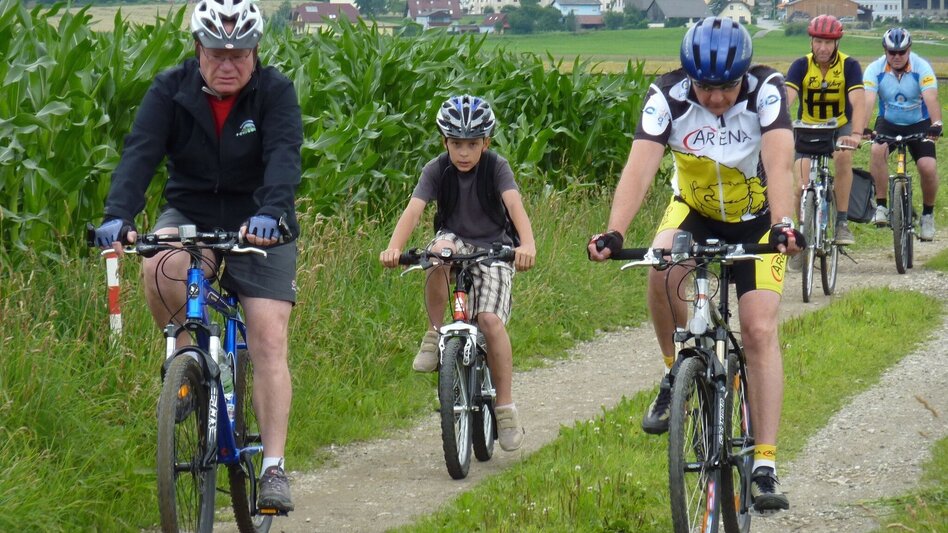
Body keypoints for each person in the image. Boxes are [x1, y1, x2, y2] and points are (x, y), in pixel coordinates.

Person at [91, 0, 302, 513]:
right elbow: (140, 153)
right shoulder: (170, 89)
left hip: (260, 221)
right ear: (197, 49)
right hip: (191, 210)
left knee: (267, 337)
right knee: (158, 264)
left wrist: (271, 212)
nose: (227, 64)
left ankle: (273, 467)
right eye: (216, 54)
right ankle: (185, 364)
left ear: (255, 52)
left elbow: (283, 156)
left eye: (239, 54)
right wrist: (118, 215)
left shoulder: (275, 92)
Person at [587, 17, 803, 511]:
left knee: (758, 330)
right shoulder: (666, 96)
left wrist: (784, 224)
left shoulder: (767, 90)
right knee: (660, 268)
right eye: (706, 88)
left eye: (727, 87)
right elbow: (640, 166)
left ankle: (765, 465)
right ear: (689, 78)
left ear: (743, 76)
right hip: (695, 212)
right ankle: (675, 374)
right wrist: (614, 231)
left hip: (758, 220)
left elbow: (778, 161)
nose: (717, 99)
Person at [379, 95, 537, 452]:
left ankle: (505, 409)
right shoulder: (436, 169)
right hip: (455, 241)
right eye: (456, 144)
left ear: (486, 143)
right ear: (444, 142)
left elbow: (515, 205)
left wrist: (527, 245)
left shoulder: (496, 168)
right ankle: (435, 333)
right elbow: (414, 210)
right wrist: (393, 248)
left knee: (490, 321)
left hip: (494, 248)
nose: (464, 152)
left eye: (472, 144)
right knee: (437, 254)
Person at [785, 14, 866, 246]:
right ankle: (801, 235)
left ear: (836, 43)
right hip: (807, 127)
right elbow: (786, 99)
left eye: (828, 42)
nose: (823, 47)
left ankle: (841, 223)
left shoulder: (849, 66)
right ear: (811, 41)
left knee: (843, 158)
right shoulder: (801, 65)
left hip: (839, 126)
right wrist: (776, 127)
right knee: (800, 186)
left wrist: (856, 134)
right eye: (818, 41)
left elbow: (858, 102)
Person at [863, 27, 943, 240]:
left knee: (927, 167)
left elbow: (931, 97)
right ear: (885, 51)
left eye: (901, 52)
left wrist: (936, 124)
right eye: (892, 52)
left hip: (919, 123)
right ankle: (881, 206)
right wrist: (861, 127)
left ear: (909, 50)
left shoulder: (921, 67)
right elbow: (868, 101)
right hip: (889, 122)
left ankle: (927, 215)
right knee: (877, 150)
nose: (896, 56)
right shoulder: (874, 69)